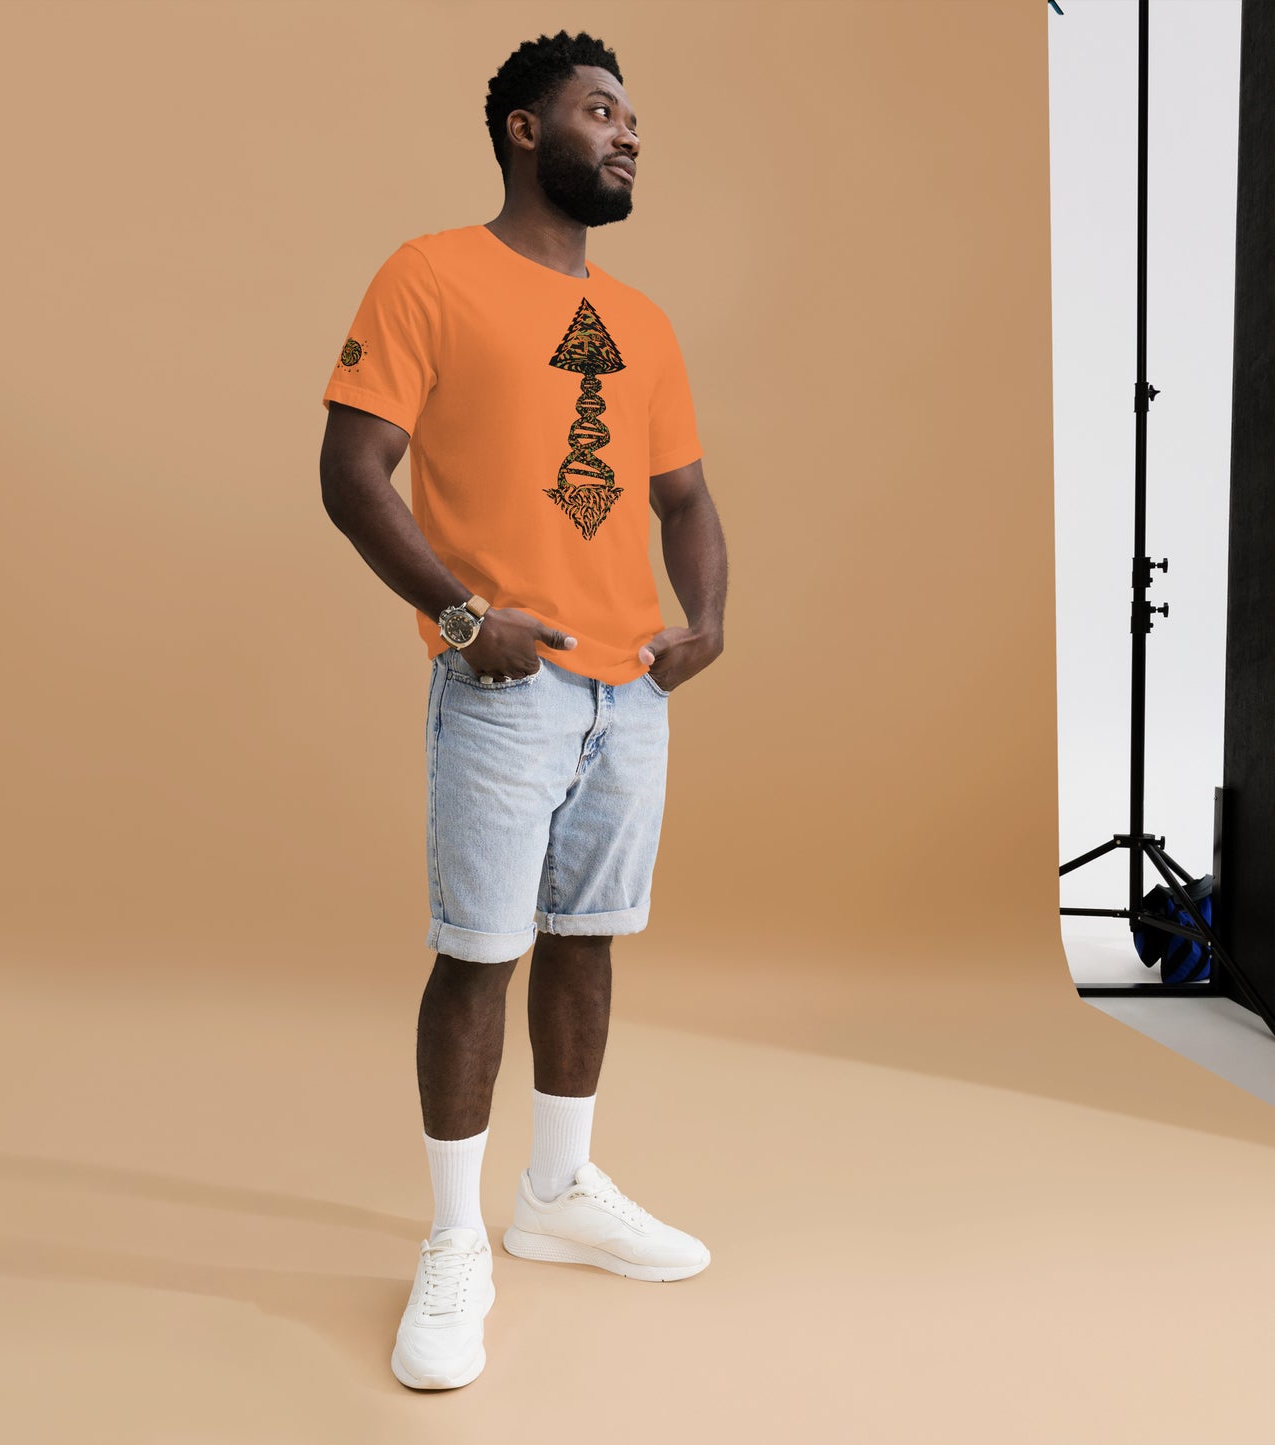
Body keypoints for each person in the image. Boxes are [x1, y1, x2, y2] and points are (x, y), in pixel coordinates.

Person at [320, 28, 728, 1391]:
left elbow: (680, 494)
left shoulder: (650, 324)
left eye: (631, 119)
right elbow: (351, 467)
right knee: (478, 951)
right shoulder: (431, 274)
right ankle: (453, 1242)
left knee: (589, 938)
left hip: (629, 692)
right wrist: (456, 618)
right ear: (519, 130)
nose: (625, 134)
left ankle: (555, 1194)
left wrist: (704, 622)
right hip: (503, 681)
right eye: (598, 111)